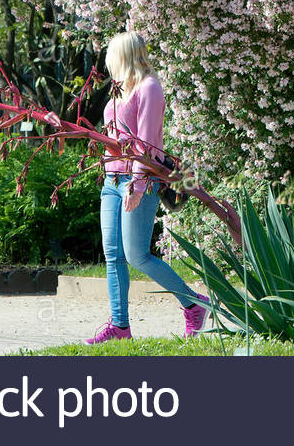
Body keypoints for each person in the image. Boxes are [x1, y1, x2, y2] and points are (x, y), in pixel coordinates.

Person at [85, 31, 210, 345]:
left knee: (137, 255)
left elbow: (149, 144)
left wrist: (138, 185)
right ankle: (119, 326)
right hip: (111, 181)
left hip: (137, 180)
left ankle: (194, 305)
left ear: (124, 56)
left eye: (111, 56)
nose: (107, 63)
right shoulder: (118, 92)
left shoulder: (149, 88)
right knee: (113, 255)